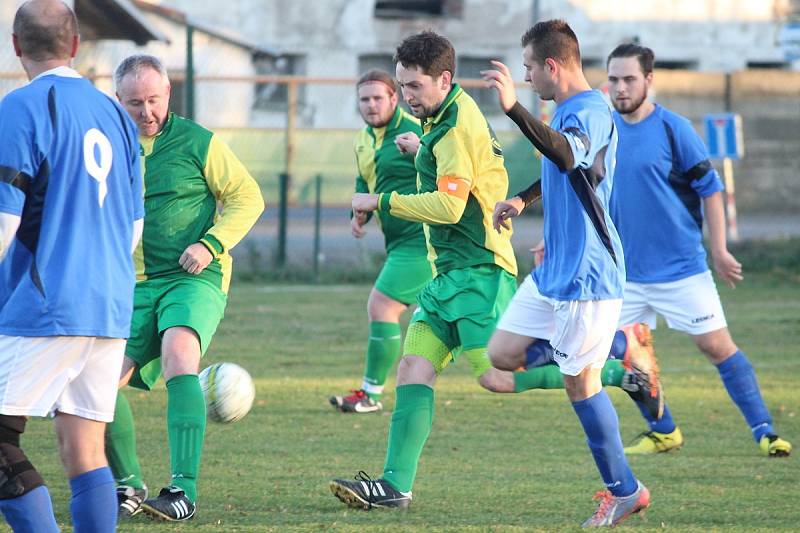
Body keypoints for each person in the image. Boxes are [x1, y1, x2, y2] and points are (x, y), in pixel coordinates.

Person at [329, 31, 519, 509]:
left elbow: (451, 207)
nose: (406, 98)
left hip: (479, 270)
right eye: (402, 86)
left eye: (413, 87)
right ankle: (395, 486)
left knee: (494, 377)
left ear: (444, 79)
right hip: (447, 274)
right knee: (413, 368)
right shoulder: (440, 120)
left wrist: (380, 201)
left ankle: (621, 371)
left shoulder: (452, 127)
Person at [483, 20, 649, 527]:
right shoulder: (568, 111)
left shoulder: (592, 110)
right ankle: (616, 347)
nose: (528, 78)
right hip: (557, 267)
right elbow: (565, 167)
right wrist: (523, 198)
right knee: (502, 355)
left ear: (552, 65)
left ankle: (625, 491)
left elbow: (566, 152)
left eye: (530, 68)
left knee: (581, 387)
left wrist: (513, 108)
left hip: (588, 275)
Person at [602, 43, 791, 457]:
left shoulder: (674, 129)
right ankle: (663, 430)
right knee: (619, 354)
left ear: (649, 80)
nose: (620, 87)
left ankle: (764, 431)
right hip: (623, 275)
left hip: (681, 270)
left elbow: (712, 190)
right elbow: (587, 191)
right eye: (613, 78)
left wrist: (719, 249)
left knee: (718, 348)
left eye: (629, 78)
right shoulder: (603, 131)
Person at [0, 1, 143, 531]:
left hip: (45, 303)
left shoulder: (20, 107)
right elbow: (133, 229)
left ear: (16, 46)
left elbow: (3, 223)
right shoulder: (114, 113)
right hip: (108, 304)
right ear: (76, 45)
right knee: (84, 450)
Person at [105, 54, 264, 521]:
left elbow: (247, 197)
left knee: (180, 354)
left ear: (169, 93)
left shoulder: (198, 142)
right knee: (98, 384)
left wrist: (210, 243)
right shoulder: (108, 147)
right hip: (132, 285)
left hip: (193, 278)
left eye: (154, 100)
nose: (146, 111)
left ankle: (182, 491)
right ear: (119, 100)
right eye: (135, 102)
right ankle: (128, 485)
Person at [328, 69, 433, 414]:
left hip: (424, 240)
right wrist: (359, 215)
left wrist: (422, 151)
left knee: (382, 305)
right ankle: (530, 353)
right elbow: (365, 182)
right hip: (398, 242)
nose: (371, 105)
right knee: (452, 321)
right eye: (364, 99)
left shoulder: (417, 130)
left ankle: (371, 394)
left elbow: (448, 169)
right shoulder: (363, 139)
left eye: (378, 98)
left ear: (394, 98)